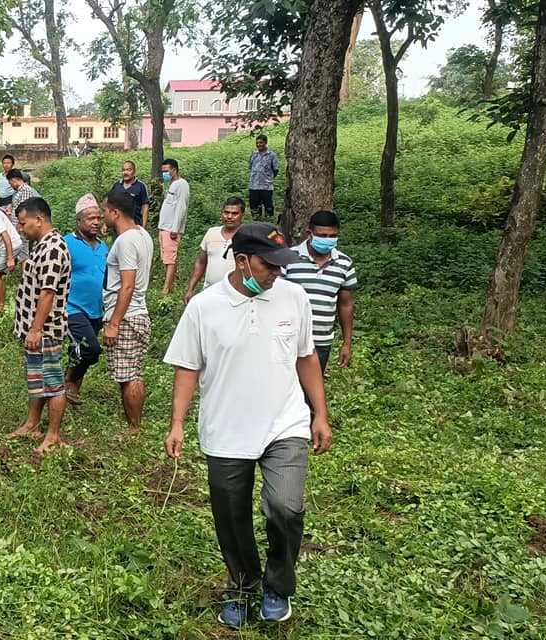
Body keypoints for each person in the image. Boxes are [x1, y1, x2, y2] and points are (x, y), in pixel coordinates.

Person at [163, 221, 332, 629]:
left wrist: (319, 414)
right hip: (226, 429)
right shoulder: (204, 307)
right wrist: (177, 422)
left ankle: (277, 585)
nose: (278, 273)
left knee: (285, 507)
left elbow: (306, 357)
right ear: (241, 261)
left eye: (281, 265)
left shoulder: (293, 298)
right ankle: (241, 583)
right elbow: (188, 366)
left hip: (284, 423)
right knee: (231, 516)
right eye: (268, 265)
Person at [5, 198, 72, 454]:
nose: (21, 229)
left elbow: (48, 293)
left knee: (53, 382)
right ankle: (33, 425)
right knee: (37, 379)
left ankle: (53, 435)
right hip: (35, 330)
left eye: (23, 223)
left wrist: (35, 329)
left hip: (46, 330)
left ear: (39, 220)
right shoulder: (41, 245)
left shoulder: (53, 248)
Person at [100, 187, 152, 436]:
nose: (102, 216)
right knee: (132, 370)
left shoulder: (126, 241)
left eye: (104, 211)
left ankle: (134, 428)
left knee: (129, 374)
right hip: (138, 312)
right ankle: (133, 425)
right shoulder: (143, 235)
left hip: (127, 315)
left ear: (115, 212)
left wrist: (114, 323)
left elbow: (127, 284)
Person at [282, 210, 358, 371]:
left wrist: (347, 343)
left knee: (311, 392)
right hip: (288, 338)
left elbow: (345, 305)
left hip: (321, 342)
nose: (328, 240)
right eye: (322, 236)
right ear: (309, 234)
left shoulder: (344, 263)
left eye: (333, 236)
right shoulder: (288, 258)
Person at [62, 194, 109, 406]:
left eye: (99, 218)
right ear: (79, 221)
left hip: (96, 309)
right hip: (73, 308)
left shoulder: (103, 247)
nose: (96, 222)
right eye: (91, 218)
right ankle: (67, 382)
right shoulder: (67, 243)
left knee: (78, 351)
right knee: (91, 349)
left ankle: (70, 394)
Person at [183, 197, 247, 304]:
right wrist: (190, 289)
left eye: (234, 213)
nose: (229, 217)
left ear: (242, 216)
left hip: (236, 294)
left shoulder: (247, 237)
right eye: (226, 213)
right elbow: (201, 262)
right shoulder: (211, 233)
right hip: (210, 292)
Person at [156, 158, 190, 295]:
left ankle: (166, 288)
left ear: (174, 170)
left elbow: (181, 207)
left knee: (170, 259)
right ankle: (172, 284)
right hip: (164, 226)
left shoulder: (182, 184)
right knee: (166, 258)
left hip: (171, 229)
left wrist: (175, 229)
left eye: (166, 171)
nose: (164, 174)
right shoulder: (171, 184)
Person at [249, 135, 280, 219]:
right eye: (257, 143)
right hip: (254, 186)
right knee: (254, 207)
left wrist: (268, 178)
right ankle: (256, 223)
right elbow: (251, 167)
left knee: (268, 207)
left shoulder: (272, 155)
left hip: (266, 187)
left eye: (261, 142)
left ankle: (268, 224)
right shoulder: (254, 154)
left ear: (265, 143)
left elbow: (276, 169)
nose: (259, 145)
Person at [111, 160, 150, 227]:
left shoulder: (140, 186)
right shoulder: (117, 185)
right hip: (118, 226)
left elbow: (145, 207)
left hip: (134, 225)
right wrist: (105, 224)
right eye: (123, 170)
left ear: (134, 171)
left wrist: (144, 227)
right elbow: (111, 204)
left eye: (129, 170)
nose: (125, 172)